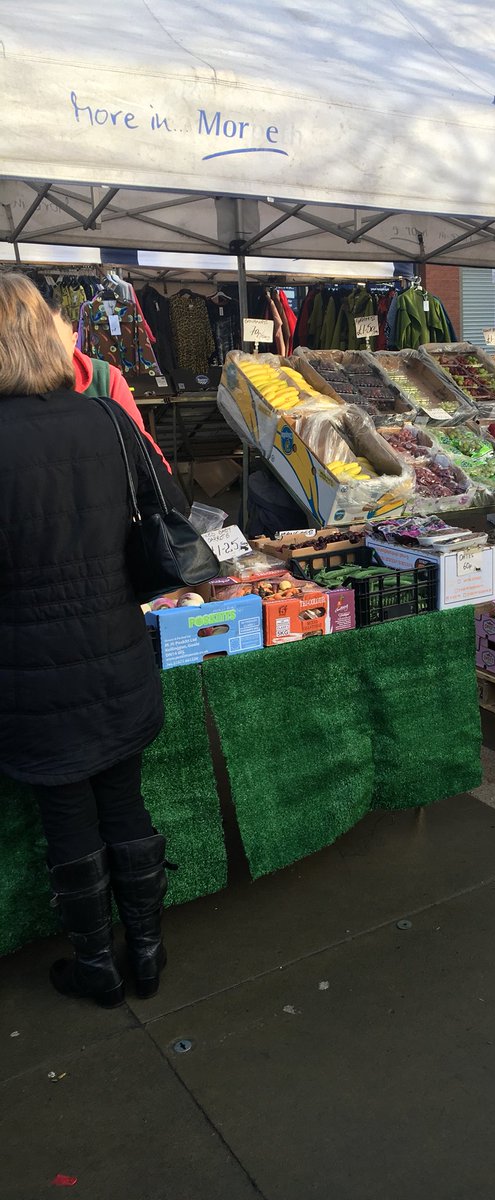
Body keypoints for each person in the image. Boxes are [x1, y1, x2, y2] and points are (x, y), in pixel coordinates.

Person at [0, 273, 188, 1008]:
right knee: (124, 799)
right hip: (115, 648)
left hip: (28, 670)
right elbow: (167, 512)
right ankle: (145, 952)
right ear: (52, 334)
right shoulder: (106, 419)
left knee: (66, 818)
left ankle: (96, 966)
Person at [46, 296, 172, 472]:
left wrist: (164, 486)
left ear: (74, 340)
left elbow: (140, 443)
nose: (47, 352)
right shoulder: (13, 385)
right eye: (39, 343)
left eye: (56, 343)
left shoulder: (105, 378)